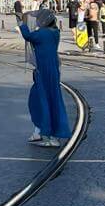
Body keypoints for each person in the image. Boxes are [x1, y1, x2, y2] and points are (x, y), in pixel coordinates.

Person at [18, 10, 70, 147]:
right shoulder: (55, 32)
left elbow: (27, 36)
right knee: (52, 99)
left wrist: (21, 22)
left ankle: (46, 134)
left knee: (40, 100)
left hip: (43, 70)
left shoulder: (42, 33)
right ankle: (41, 132)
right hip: (53, 69)